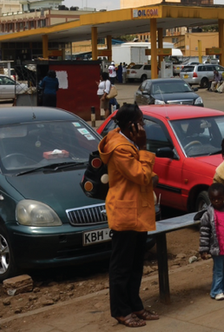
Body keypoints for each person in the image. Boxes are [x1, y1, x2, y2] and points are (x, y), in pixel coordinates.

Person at [98, 104, 159, 328]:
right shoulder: (120, 147)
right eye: (140, 122)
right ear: (130, 125)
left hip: (138, 212)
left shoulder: (128, 142)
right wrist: (143, 147)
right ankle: (121, 311)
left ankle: (135, 305)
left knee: (135, 265)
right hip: (125, 213)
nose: (143, 127)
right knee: (121, 266)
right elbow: (142, 176)